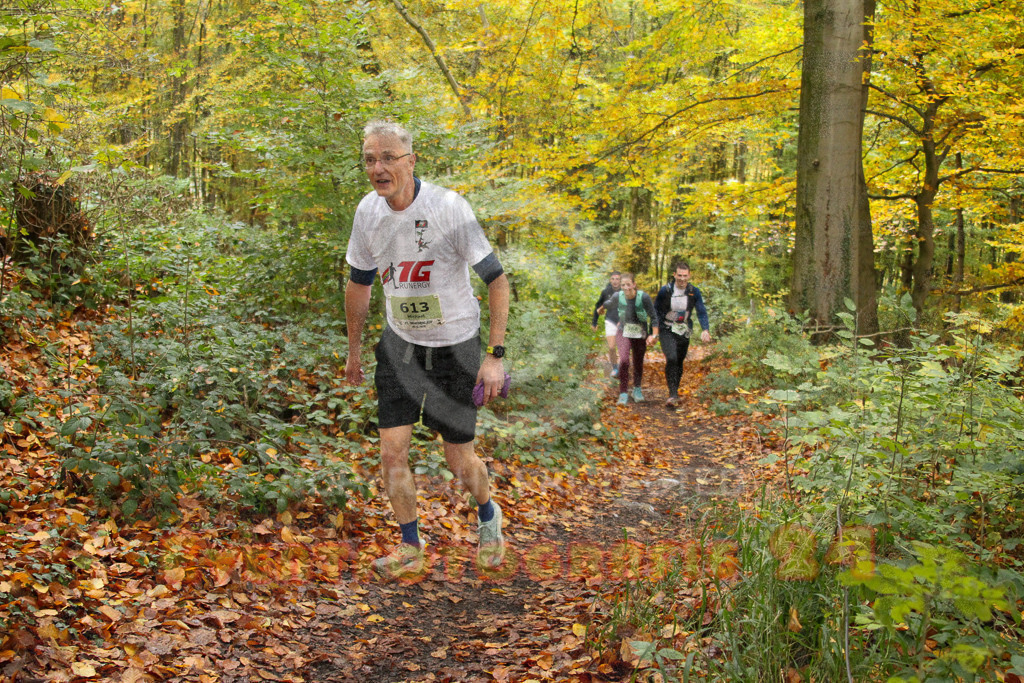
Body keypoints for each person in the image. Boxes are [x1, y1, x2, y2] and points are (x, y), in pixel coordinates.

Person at [344, 120, 510, 580]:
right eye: (370, 159)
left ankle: (488, 515)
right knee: (391, 451)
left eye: (388, 158)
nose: (378, 168)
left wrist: (494, 355)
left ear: (411, 161)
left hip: (454, 347)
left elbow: (496, 280)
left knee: (458, 458)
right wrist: (354, 349)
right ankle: (410, 547)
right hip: (399, 346)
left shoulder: (449, 208)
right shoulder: (368, 213)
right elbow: (358, 284)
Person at [655, 262, 711, 409]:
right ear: (674, 275)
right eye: (679, 275)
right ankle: (672, 394)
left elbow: (701, 311)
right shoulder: (665, 291)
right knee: (671, 358)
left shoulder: (694, 291)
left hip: (683, 330)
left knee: (679, 361)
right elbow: (655, 312)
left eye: (685, 276)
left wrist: (705, 329)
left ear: (689, 276)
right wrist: (653, 332)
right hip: (667, 329)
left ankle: (675, 391)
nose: (682, 279)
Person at [599, 273, 658, 405]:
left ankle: (637, 389)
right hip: (623, 331)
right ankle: (623, 393)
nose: (625, 287)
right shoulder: (617, 296)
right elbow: (609, 303)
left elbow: (654, 317)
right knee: (624, 360)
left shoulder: (643, 297)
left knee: (638, 361)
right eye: (623, 285)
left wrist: (654, 335)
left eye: (628, 284)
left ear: (634, 284)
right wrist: (601, 308)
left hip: (640, 333)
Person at [591, 271, 622, 376]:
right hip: (610, 321)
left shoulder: (625, 291)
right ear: (610, 280)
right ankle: (615, 368)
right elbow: (598, 307)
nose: (615, 281)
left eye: (617, 279)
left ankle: (624, 365)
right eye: (613, 279)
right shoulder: (606, 292)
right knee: (612, 347)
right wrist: (594, 322)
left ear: (620, 280)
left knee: (623, 347)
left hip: (624, 322)